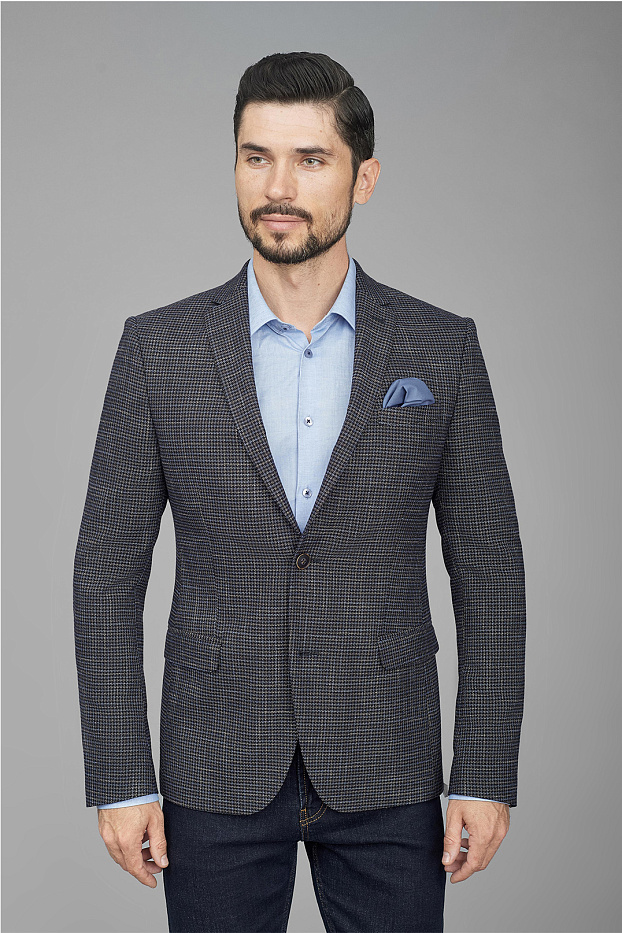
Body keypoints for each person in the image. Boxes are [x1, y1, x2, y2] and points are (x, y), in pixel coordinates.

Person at [74, 51, 526, 933]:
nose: (277, 187)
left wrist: (483, 770)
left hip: (388, 759)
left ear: (365, 178)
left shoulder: (440, 349)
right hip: (214, 761)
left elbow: (490, 571)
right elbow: (105, 572)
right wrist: (121, 776)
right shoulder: (157, 350)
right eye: (257, 157)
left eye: (310, 159)